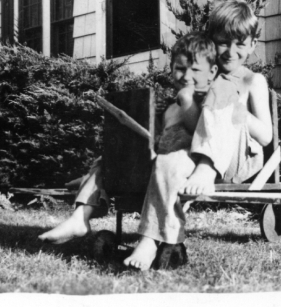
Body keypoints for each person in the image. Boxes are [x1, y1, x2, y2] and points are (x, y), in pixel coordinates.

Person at [124, 0, 273, 270]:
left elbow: (265, 137)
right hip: (198, 152)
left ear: (252, 45)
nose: (231, 51)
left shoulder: (253, 81)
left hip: (236, 161)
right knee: (168, 162)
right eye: (223, 43)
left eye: (240, 44)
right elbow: (195, 129)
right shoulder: (204, 76)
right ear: (211, 41)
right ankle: (150, 240)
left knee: (222, 91)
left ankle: (206, 167)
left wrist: (235, 109)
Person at [38, 32, 217, 244]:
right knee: (109, 159)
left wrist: (187, 100)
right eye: (180, 68)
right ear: (171, 69)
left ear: (212, 72)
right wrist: (155, 123)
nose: (186, 76)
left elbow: (200, 133)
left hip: (179, 168)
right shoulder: (171, 105)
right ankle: (80, 218)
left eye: (195, 70)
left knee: (112, 164)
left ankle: (92, 184)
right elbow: (157, 137)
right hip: (156, 161)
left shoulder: (207, 101)